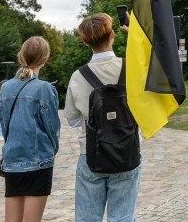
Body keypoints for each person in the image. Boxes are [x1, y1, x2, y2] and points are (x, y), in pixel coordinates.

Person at [65, 13, 141, 221]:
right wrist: (135, 33)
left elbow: (72, 119)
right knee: (123, 217)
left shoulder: (78, 76)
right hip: (127, 150)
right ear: (113, 35)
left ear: (85, 41)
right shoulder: (132, 68)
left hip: (91, 153)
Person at [0, 36, 61, 222]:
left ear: (21, 56)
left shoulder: (6, 87)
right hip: (38, 160)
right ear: (45, 58)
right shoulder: (44, 89)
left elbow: (4, 125)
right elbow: (52, 128)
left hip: (12, 158)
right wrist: (52, 150)